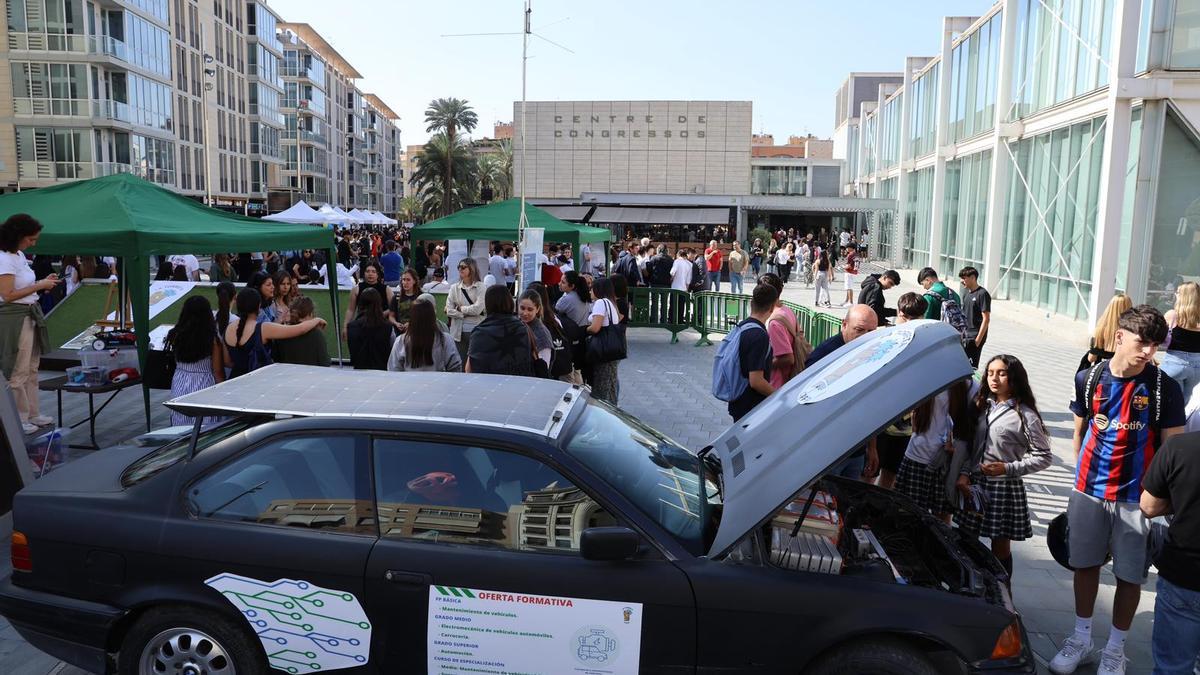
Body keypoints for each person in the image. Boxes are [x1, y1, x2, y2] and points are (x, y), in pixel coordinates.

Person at [1052, 305, 1187, 675]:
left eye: (1155, 345)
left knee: (1130, 575)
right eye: (1142, 342)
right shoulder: (1089, 377)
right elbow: (1080, 432)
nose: (1148, 352)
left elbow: (1173, 452)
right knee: (1084, 565)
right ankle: (1080, 639)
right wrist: (1079, 483)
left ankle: (1115, 649)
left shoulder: (1164, 388)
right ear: (1119, 337)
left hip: (1136, 498)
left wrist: (1161, 502)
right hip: (1088, 491)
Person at [955, 355, 1051, 581]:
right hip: (976, 483)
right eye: (990, 373)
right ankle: (968, 584)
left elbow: (1044, 456)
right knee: (966, 539)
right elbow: (973, 447)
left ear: (1014, 377)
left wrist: (1008, 468)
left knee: (1000, 546)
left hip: (1004, 488)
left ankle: (1002, 590)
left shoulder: (1025, 414)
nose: (994, 379)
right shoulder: (982, 406)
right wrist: (964, 474)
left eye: (1001, 373)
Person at [1140, 430, 1200, 675]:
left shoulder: (1180, 446)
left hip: (1185, 574)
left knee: (1172, 669)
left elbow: (1149, 505)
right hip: (1183, 576)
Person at [0, 214, 58, 434]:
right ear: (18, 236)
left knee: (32, 367)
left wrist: (42, 283)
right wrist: (39, 285)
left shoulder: (18, 254)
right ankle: (20, 418)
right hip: (15, 317)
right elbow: (7, 295)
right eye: (31, 239)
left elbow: (22, 286)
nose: (33, 243)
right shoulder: (4, 259)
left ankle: (33, 413)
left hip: (28, 313)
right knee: (18, 370)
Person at [895, 380, 972, 524]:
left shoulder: (967, 384)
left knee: (941, 518)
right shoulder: (926, 376)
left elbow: (972, 425)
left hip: (944, 461)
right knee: (908, 515)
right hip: (916, 455)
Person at [224, 288, 325, 378]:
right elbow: (300, 329)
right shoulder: (263, 328)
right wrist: (316, 320)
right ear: (258, 306)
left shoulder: (228, 328)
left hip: (235, 380)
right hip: (258, 381)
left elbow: (227, 362)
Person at [165, 296, 226, 427]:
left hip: (180, 380)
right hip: (204, 383)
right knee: (205, 423)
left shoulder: (175, 334)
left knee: (180, 421)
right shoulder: (213, 339)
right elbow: (218, 371)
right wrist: (224, 392)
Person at [726, 283, 778, 422]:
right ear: (772, 307)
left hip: (738, 400)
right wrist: (777, 395)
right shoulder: (759, 336)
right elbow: (756, 381)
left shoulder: (743, 326)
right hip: (750, 406)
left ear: (751, 303)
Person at [465, 284, 536, 377]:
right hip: (518, 386)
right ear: (510, 302)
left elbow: (468, 369)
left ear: (488, 304)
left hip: (486, 387)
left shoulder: (479, 332)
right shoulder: (523, 328)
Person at [387, 297, 461, 372]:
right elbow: (455, 367)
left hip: (409, 382)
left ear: (412, 317)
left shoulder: (401, 341)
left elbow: (393, 369)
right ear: (433, 316)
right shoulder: (445, 339)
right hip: (439, 382)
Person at [759, 273, 804, 388]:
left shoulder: (774, 322)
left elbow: (788, 358)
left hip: (776, 383)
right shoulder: (786, 310)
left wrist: (761, 366)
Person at [587, 277, 625, 404]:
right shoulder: (611, 302)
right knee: (612, 384)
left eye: (591, 288)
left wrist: (586, 329)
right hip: (613, 349)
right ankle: (612, 411)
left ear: (598, 289)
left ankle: (601, 412)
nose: (590, 291)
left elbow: (596, 327)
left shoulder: (600, 303)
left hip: (603, 350)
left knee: (601, 385)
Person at [807, 303, 880, 367]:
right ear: (844, 325)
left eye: (871, 331)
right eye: (859, 330)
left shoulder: (875, 349)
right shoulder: (823, 355)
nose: (865, 336)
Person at [1161, 281, 1200, 396]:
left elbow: (1158, 335)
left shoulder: (1172, 315)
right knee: (1189, 406)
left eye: (1178, 292)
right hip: (1197, 365)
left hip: (1174, 361)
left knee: (1171, 403)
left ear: (1183, 296)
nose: (1175, 295)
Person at [445, 257, 486, 361]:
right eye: (459, 267)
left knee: (476, 362)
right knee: (460, 362)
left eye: (463, 267)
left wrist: (460, 309)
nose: (460, 269)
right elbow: (448, 310)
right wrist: (462, 314)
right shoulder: (454, 287)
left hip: (477, 330)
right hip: (457, 332)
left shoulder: (481, 287)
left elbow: (477, 309)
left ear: (471, 268)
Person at [1079, 294, 1133, 372]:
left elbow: (1091, 358)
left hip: (1102, 373)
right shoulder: (1132, 330)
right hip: (1125, 372)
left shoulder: (1100, 329)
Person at [272, 297, 330, 367]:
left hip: (287, 375)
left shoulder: (283, 333)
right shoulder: (316, 334)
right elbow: (325, 362)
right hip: (311, 376)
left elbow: (276, 360)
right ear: (311, 313)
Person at [346, 288, 393, 371]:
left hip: (359, 370)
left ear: (360, 303)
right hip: (382, 371)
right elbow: (391, 350)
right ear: (379, 303)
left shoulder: (352, 327)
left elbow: (353, 353)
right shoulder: (388, 327)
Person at [345, 261, 393, 337]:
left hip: (381, 326)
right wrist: (345, 327)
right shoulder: (356, 289)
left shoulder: (387, 290)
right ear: (364, 273)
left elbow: (393, 308)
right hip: (362, 327)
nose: (370, 274)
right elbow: (350, 310)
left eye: (373, 272)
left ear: (378, 274)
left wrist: (381, 314)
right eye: (368, 271)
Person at [959, 266, 992, 369]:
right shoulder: (966, 293)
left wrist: (978, 340)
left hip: (974, 336)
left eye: (964, 278)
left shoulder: (982, 294)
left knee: (971, 367)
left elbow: (986, 319)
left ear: (973, 278)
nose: (962, 281)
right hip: (965, 335)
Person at [519, 289, 553, 373]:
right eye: (522, 308)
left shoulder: (542, 334)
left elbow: (544, 368)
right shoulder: (517, 325)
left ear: (537, 309)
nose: (525, 313)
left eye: (530, 309)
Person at [389, 268, 422, 335]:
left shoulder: (420, 297)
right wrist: (396, 323)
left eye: (408, 280)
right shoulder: (396, 297)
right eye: (403, 280)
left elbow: (424, 316)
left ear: (414, 281)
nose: (405, 282)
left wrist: (411, 323)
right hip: (399, 333)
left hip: (416, 333)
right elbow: (391, 316)